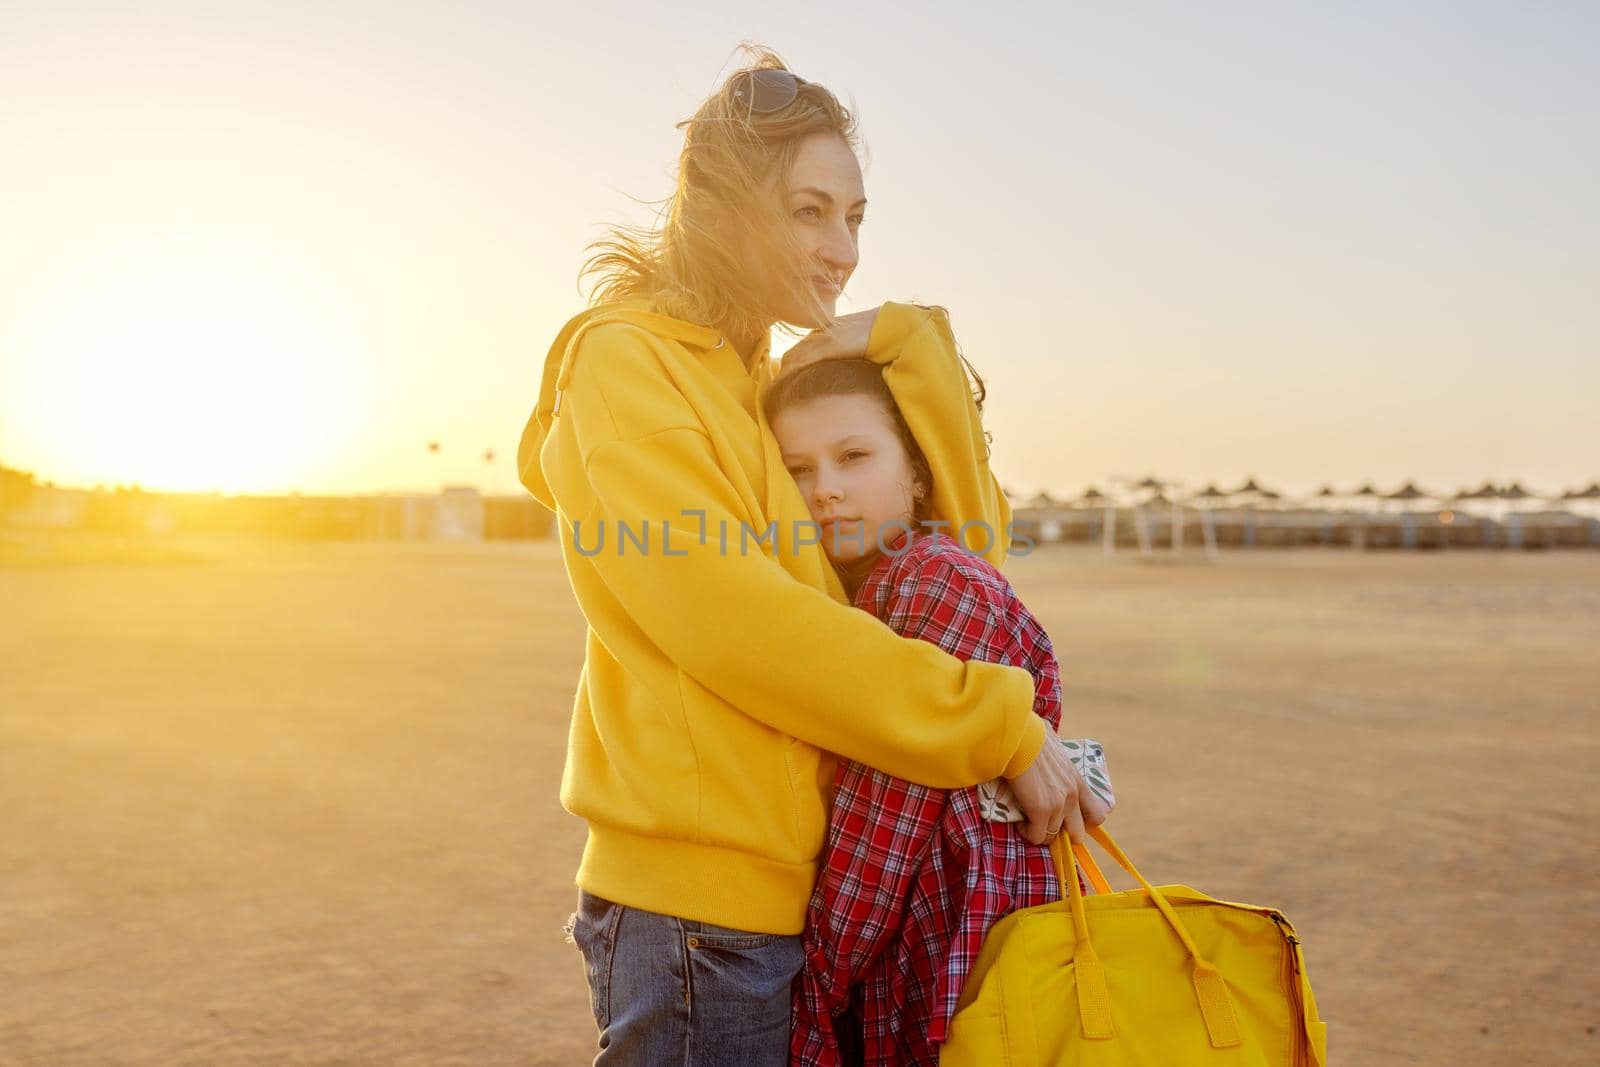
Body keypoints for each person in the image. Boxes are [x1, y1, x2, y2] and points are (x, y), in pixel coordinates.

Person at [515, 47, 1095, 1066]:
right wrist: (995, 722)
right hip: (698, 910)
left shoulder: (757, 381)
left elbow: (959, 555)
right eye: (809, 211)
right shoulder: (628, 364)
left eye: (856, 217)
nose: (841, 249)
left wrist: (913, 342)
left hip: (786, 899)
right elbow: (742, 624)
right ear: (726, 209)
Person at [765, 357, 1112, 1066]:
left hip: (950, 940)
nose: (825, 489)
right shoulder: (871, 588)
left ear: (918, 472)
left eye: (853, 456)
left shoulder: (934, 579)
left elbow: (885, 817)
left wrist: (818, 981)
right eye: (798, 470)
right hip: (939, 933)